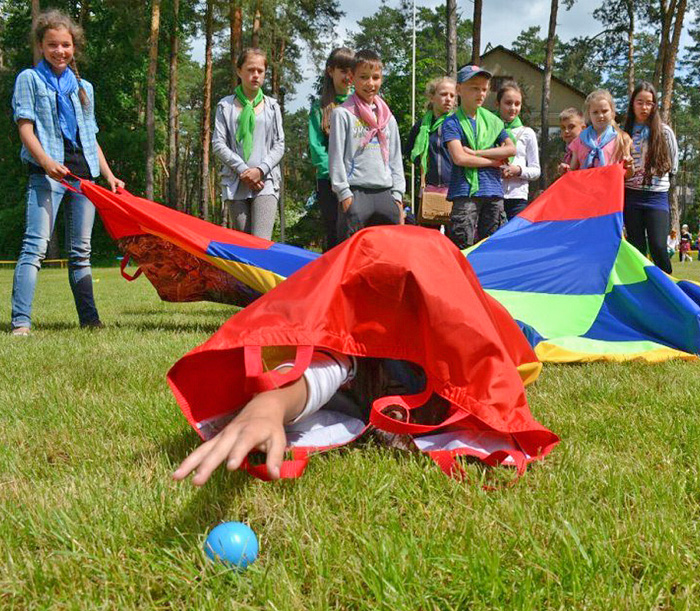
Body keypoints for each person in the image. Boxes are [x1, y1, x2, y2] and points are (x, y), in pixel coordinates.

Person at [10, 9, 124, 337]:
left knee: (81, 252)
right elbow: (26, 128)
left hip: (82, 178)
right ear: (41, 47)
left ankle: (90, 320)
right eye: (52, 45)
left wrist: (109, 176)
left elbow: (92, 137)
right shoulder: (29, 79)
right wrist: (46, 163)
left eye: (66, 45)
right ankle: (21, 322)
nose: (60, 51)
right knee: (35, 247)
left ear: (74, 47)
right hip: (47, 175)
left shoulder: (83, 86)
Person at [328, 49, 406, 241]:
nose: (370, 83)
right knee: (352, 253)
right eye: (363, 77)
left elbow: (396, 159)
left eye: (375, 77)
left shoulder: (388, 118)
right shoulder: (342, 114)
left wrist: (397, 196)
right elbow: (335, 158)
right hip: (356, 192)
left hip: (385, 192)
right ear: (352, 78)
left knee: (387, 253)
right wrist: (344, 194)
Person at [212, 48, 284, 240]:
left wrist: (260, 170)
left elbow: (280, 144)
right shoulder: (224, 106)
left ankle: (263, 271)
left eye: (260, 71)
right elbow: (218, 144)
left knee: (260, 242)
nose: (255, 75)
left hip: (266, 181)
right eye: (251, 70)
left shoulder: (272, 106)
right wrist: (243, 170)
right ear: (239, 71)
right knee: (244, 243)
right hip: (236, 181)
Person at [443, 65, 516, 249]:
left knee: (491, 246)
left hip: (493, 191)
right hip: (465, 192)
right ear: (459, 89)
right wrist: (493, 162)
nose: (481, 94)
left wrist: (476, 153)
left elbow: (510, 149)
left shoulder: (494, 121)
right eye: (474, 88)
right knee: (462, 244)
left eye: (484, 89)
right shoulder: (451, 123)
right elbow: (460, 158)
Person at [622, 82, 679, 274]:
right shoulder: (624, 133)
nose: (644, 107)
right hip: (631, 197)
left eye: (649, 103)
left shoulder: (664, 132)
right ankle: (643, 296)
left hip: (657, 197)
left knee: (658, 247)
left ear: (655, 105)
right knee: (636, 249)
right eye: (640, 102)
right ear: (632, 104)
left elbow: (673, 167)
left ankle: (669, 293)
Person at [308, 47, 355, 251]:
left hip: (357, 181)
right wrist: (336, 176)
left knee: (354, 233)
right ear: (330, 71)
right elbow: (316, 147)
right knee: (335, 233)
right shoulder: (320, 107)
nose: (348, 76)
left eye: (352, 70)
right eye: (343, 70)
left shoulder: (361, 104)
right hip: (328, 182)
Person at [406, 76, 456, 220]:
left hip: (453, 188)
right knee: (428, 233)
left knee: (454, 235)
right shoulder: (422, 126)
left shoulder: (458, 124)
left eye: (452, 95)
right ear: (432, 97)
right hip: (428, 187)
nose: (448, 99)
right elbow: (410, 152)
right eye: (443, 94)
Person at [494, 81, 540, 220]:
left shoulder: (527, 133)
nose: (513, 108)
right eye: (508, 103)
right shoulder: (489, 130)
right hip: (492, 195)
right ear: (498, 104)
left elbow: (536, 170)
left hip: (518, 197)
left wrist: (518, 170)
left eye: (517, 104)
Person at [567, 89, 633, 176]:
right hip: (585, 187)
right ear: (589, 115)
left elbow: (628, 175)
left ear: (612, 112)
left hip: (610, 187)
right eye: (595, 112)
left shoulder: (621, 138)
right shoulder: (580, 140)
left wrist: (629, 166)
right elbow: (572, 171)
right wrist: (565, 170)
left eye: (605, 111)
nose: (600, 116)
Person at [557, 107, 585, 175]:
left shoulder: (584, 150)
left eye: (571, 127)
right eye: (563, 128)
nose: (566, 131)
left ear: (583, 128)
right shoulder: (568, 151)